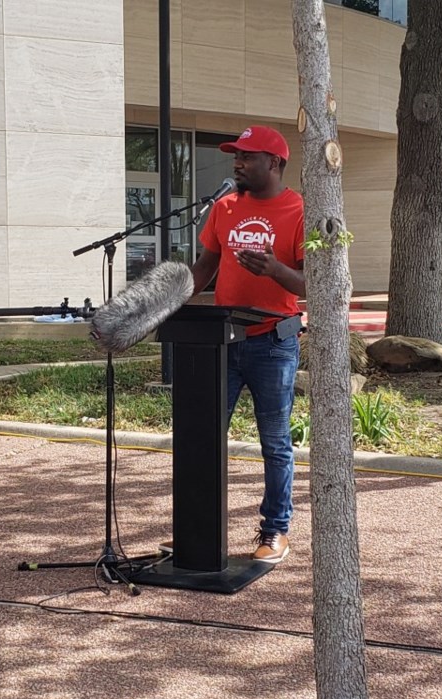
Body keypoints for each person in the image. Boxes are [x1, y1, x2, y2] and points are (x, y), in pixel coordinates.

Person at [192, 125, 305, 564]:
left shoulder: (299, 211)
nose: (237, 163)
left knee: (274, 443)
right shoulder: (224, 208)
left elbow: (312, 281)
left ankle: (275, 530)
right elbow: (205, 267)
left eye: (247, 156)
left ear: (274, 162)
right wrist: (169, 302)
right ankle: (200, 529)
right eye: (235, 156)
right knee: (204, 438)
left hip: (272, 343)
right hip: (222, 342)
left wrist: (274, 269)